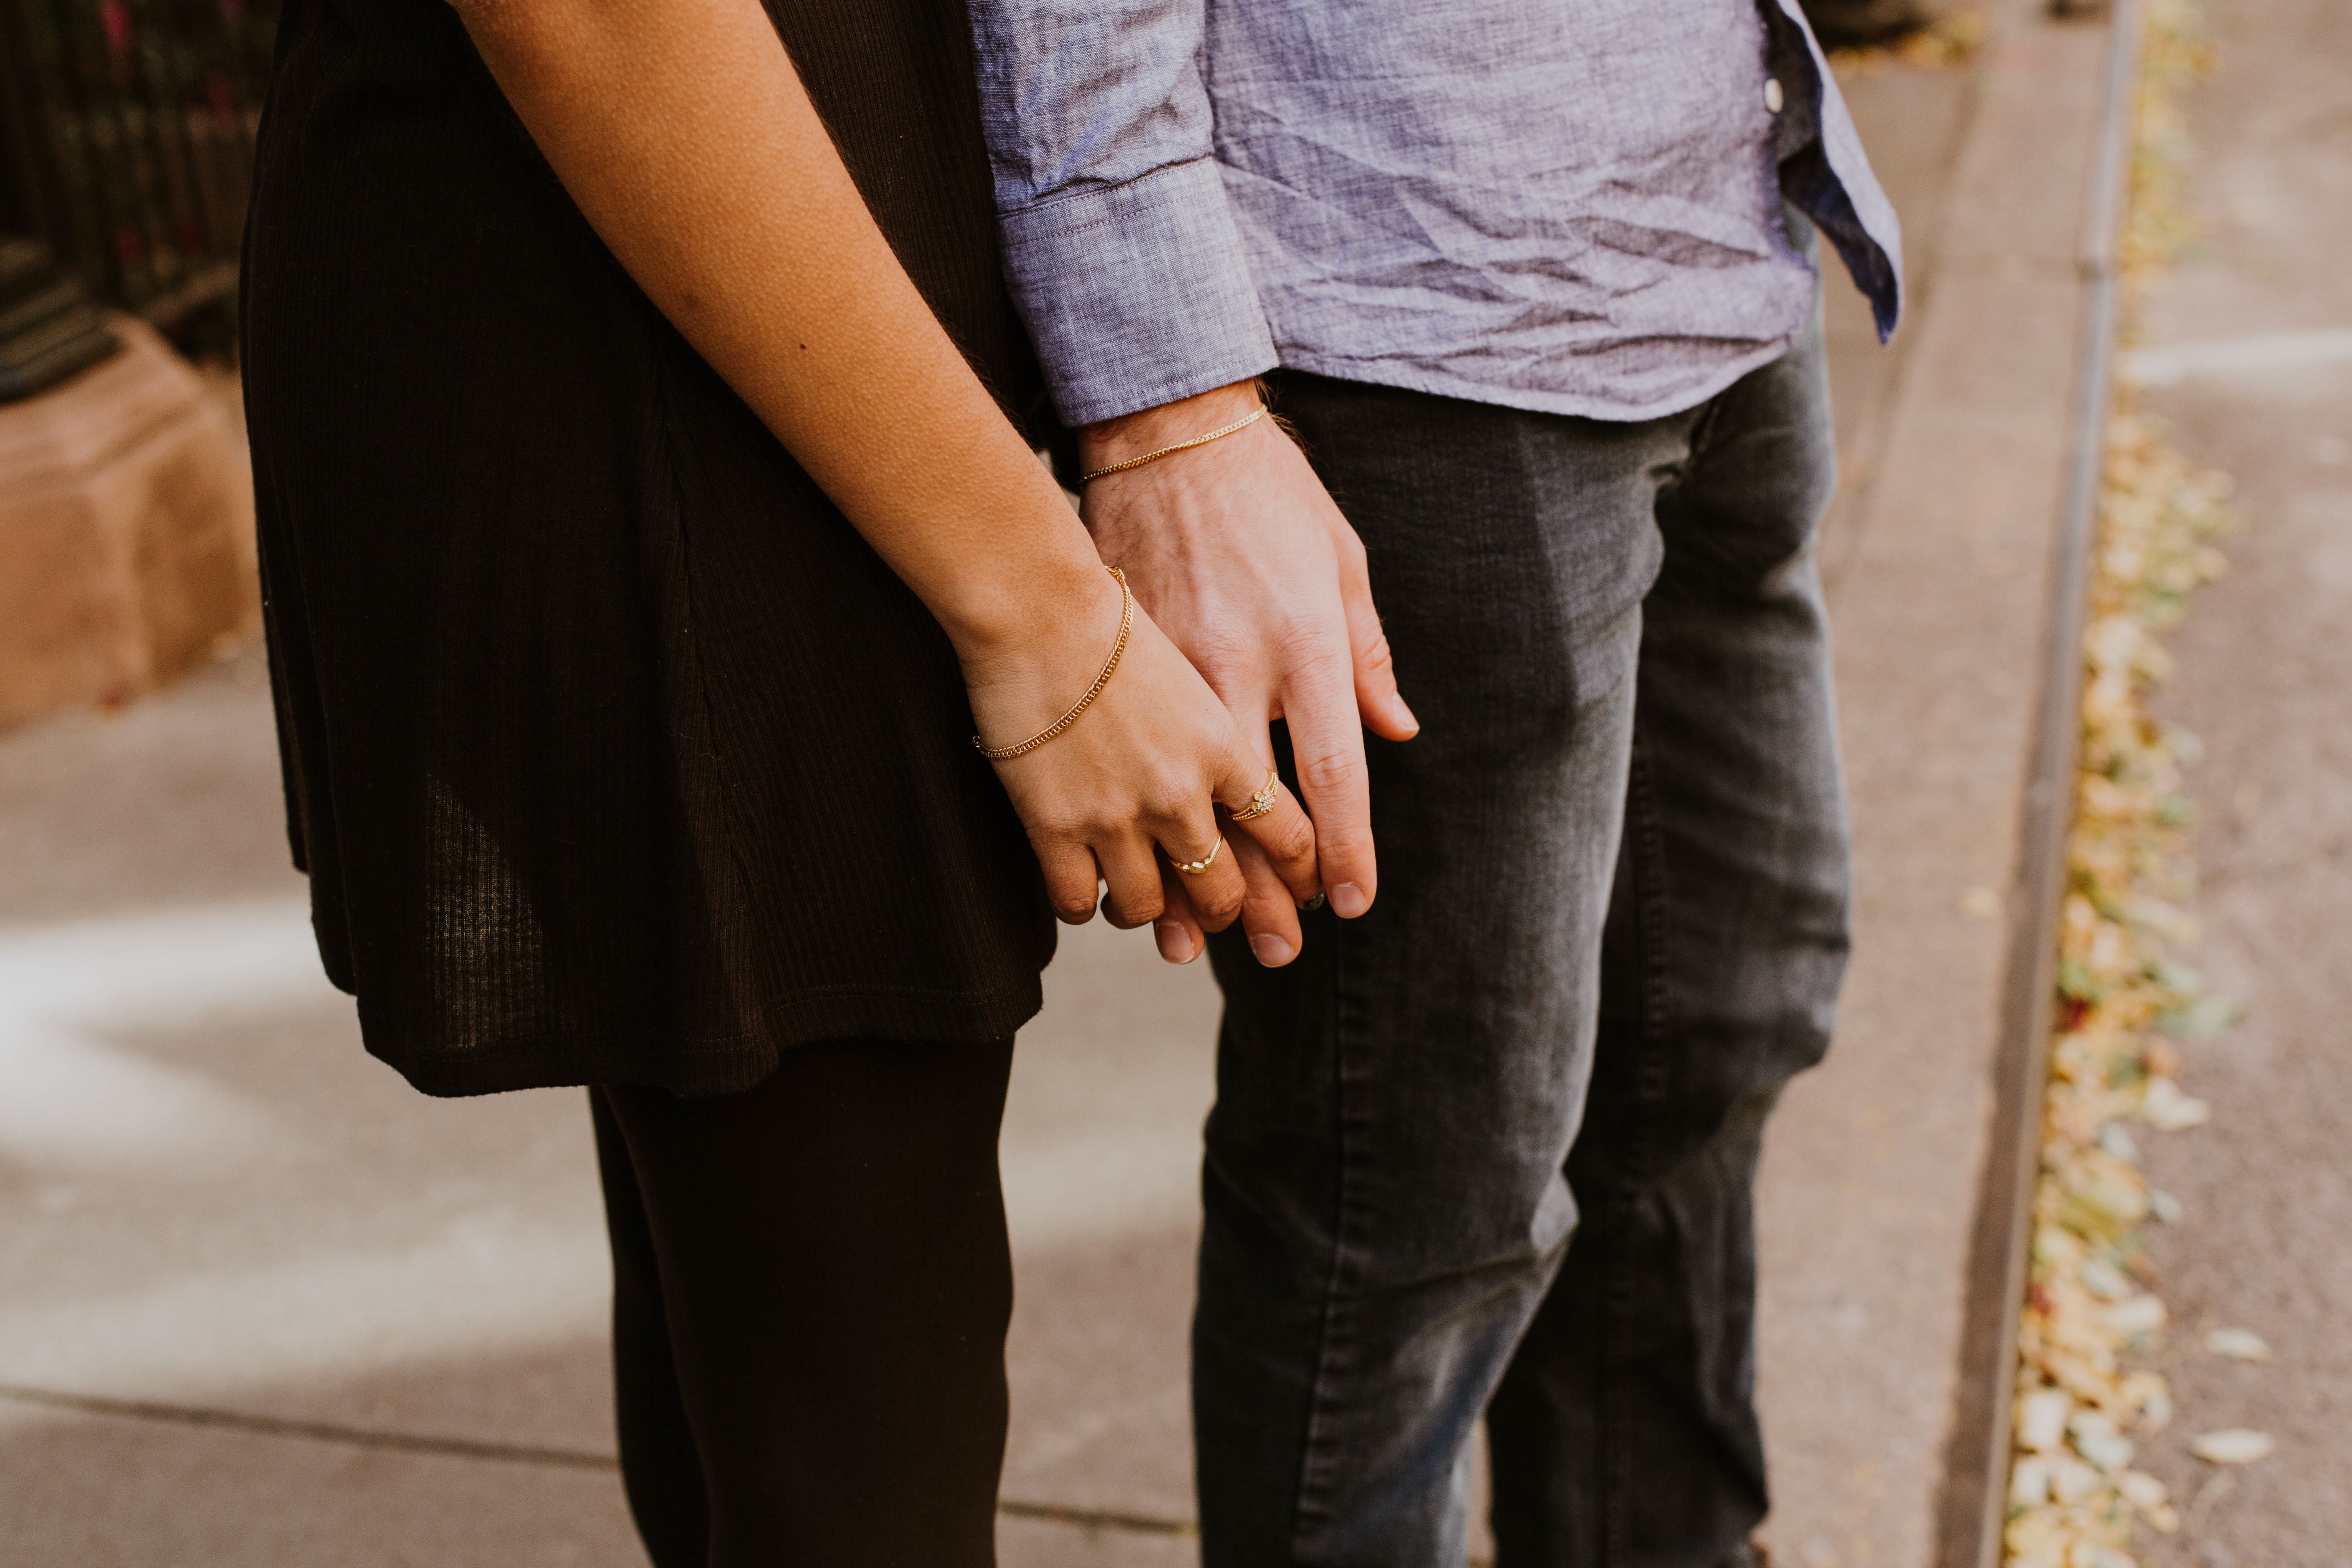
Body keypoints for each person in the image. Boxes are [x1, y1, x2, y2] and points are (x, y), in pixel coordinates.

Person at [237, 0, 1321, 1559]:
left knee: (765, 1366)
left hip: (760, 331)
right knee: (853, 1465)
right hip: (710, 389)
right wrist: (1049, 613)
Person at [964, 0, 1905, 1561]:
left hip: (1727, 238)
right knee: (1419, 1197)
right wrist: (1168, 413)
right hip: (1410, 318)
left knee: (1721, 1025)